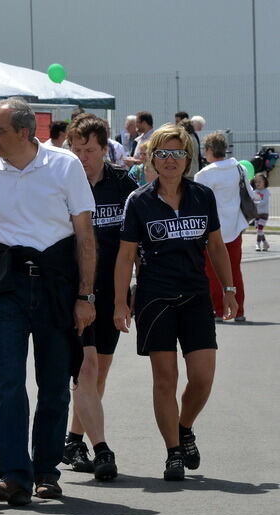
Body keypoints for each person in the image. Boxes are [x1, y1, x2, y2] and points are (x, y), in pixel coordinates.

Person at [0, 97, 96, 506]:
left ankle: (46, 470)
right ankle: (14, 475)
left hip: (57, 284)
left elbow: (84, 236)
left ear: (25, 132)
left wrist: (85, 295)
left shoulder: (64, 164)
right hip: (8, 286)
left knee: (56, 383)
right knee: (7, 384)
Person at [114, 124, 238, 481]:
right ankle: (173, 454)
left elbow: (216, 246)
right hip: (155, 298)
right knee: (165, 379)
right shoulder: (139, 201)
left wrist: (228, 290)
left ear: (188, 159)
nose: (171, 161)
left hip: (196, 295)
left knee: (202, 378)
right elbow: (125, 257)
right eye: (164, 154)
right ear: (152, 158)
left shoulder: (202, 195)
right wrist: (121, 303)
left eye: (178, 154)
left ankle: (184, 428)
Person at [62, 115, 137, 482]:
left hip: (112, 291)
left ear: (104, 149)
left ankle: (74, 440)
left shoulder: (123, 184)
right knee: (87, 369)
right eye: (76, 150)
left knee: (98, 373)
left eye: (89, 150)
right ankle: (100, 448)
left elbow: (134, 241)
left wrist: (128, 296)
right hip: (76, 293)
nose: (82, 157)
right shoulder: (62, 183)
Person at [195, 131, 255, 322]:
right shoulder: (239, 168)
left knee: (212, 271)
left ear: (210, 150)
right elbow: (251, 194)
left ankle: (220, 310)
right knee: (234, 269)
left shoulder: (204, 174)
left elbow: (198, 204)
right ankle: (239, 311)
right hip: (235, 226)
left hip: (212, 230)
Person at [252, 173, 270, 251]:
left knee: (259, 230)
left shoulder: (266, 191)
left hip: (264, 214)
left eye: (260, 181)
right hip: (256, 214)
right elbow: (252, 200)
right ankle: (265, 243)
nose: (258, 183)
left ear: (264, 182)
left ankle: (258, 244)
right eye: (256, 182)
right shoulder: (254, 191)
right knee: (259, 230)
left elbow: (264, 201)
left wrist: (256, 203)